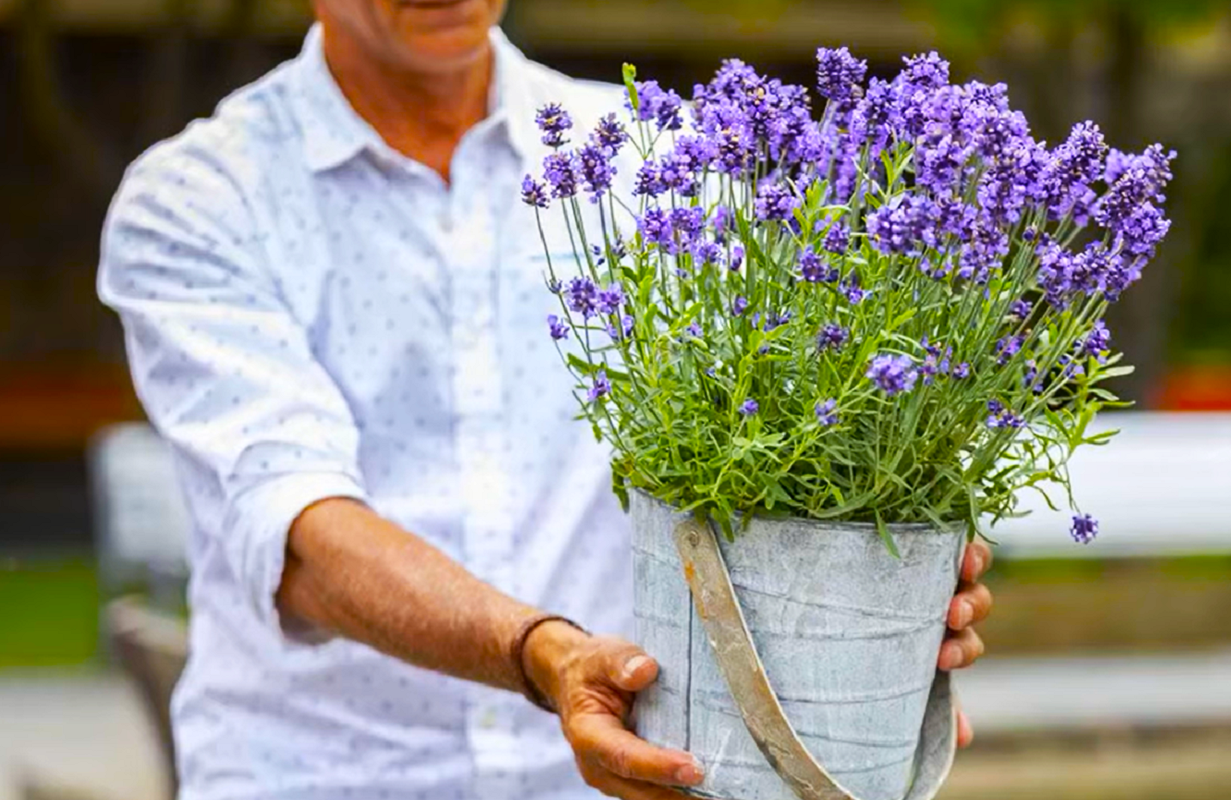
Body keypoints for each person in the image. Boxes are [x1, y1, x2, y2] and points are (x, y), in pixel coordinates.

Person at [97, 1, 995, 798]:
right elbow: (295, 531)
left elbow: (780, 450)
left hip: (639, 779)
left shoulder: (661, 162)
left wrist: (877, 613)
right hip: (326, 771)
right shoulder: (204, 195)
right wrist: (547, 656)